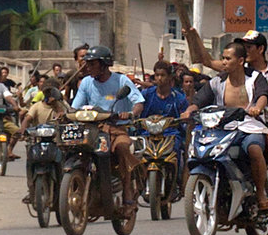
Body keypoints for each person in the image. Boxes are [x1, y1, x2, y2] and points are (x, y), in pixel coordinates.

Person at [192, 30, 268, 199]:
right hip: (230, 125)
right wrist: (194, 35)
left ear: (260, 49)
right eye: (243, 47)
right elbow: (205, 61)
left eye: (248, 47)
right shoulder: (235, 67)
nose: (245, 49)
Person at [181, 42, 268, 212]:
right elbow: (199, 100)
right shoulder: (217, 82)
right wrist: (189, 111)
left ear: (240, 61)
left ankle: (261, 195)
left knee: (254, 149)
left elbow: (263, 95)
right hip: (222, 128)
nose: (223, 62)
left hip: (250, 126)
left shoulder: (254, 78)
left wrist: (257, 108)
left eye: (227, 58)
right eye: (223, 58)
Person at [72, 45, 145, 218]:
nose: (87, 67)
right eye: (87, 64)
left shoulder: (121, 81)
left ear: (104, 64)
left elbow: (139, 102)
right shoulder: (86, 83)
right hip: (92, 129)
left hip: (117, 129)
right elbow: (76, 106)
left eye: (92, 64)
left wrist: (131, 113)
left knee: (122, 148)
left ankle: (128, 197)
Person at [140, 61, 189, 197]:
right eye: (157, 75)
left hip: (171, 134)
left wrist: (185, 117)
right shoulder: (146, 95)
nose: (159, 78)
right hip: (147, 133)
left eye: (163, 75)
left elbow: (185, 115)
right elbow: (137, 108)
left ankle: (177, 182)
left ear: (170, 78)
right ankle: (140, 183)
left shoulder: (178, 98)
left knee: (177, 151)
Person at [19, 86, 68, 203]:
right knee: (30, 162)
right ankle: (31, 191)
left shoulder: (61, 106)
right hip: (38, 142)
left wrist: (62, 115)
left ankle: (64, 189)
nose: (53, 100)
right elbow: (27, 119)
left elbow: (69, 115)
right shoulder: (36, 107)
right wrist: (22, 131)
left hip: (56, 143)